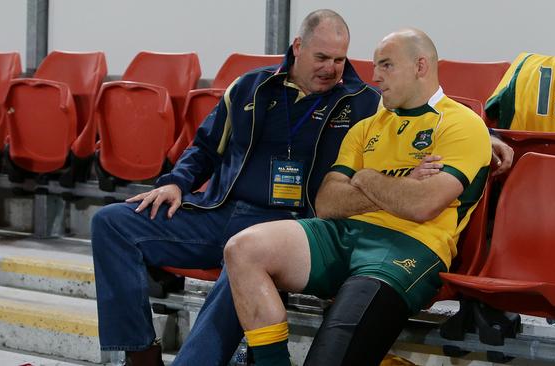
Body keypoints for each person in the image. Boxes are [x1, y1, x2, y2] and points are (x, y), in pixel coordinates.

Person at [90, 9, 382, 366]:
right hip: (222, 212)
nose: (331, 68)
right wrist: (176, 184)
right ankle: (142, 355)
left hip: (289, 230)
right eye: (321, 57)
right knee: (111, 223)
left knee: (246, 257)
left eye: (339, 59)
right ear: (298, 47)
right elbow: (205, 148)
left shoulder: (364, 103)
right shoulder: (250, 87)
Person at [224, 28, 493, 366]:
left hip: (408, 247)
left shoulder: (461, 124)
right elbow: (327, 203)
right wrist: (397, 185)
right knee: (243, 249)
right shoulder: (366, 127)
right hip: (344, 234)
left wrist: (364, 178)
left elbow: (422, 205)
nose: (375, 76)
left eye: (386, 65)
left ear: (420, 66)